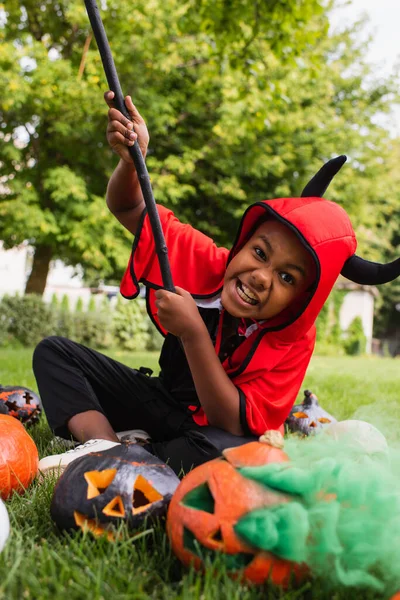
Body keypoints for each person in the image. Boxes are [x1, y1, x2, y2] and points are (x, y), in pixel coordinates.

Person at [34, 92, 399, 477]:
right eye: (260, 253)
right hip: (161, 401)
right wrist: (132, 161)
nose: (261, 276)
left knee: (238, 455)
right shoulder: (209, 261)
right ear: (243, 242)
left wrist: (194, 333)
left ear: (302, 301)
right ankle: (105, 447)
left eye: (287, 277)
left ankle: (139, 456)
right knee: (56, 353)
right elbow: (129, 208)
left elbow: (232, 425)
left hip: (210, 435)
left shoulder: (294, 342)